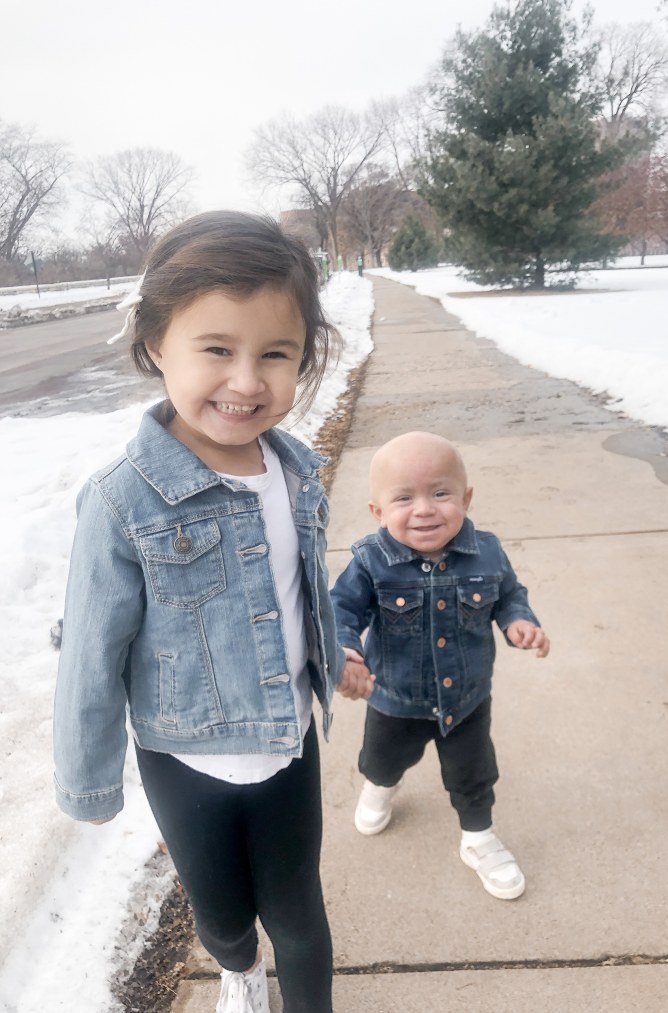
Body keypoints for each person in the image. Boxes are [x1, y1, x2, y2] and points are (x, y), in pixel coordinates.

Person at [53, 211, 373, 1013]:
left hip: (287, 744)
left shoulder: (293, 469)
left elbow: (295, 588)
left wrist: (337, 657)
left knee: (300, 913)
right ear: (158, 342)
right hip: (185, 758)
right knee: (224, 914)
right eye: (217, 349)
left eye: (276, 354)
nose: (246, 380)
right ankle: (237, 969)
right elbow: (91, 653)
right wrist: (89, 782)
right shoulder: (122, 501)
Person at [330, 431, 550, 901]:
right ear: (378, 512)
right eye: (404, 498)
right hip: (394, 697)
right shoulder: (371, 562)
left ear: (466, 499)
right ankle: (380, 786)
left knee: (474, 774)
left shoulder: (486, 551)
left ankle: (478, 838)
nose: (425, 509)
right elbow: (341, 612)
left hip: (467, 699)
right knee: (383, 760)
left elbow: (509, 594)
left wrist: (518, 621)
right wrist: (346, 651)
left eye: (441, 493)